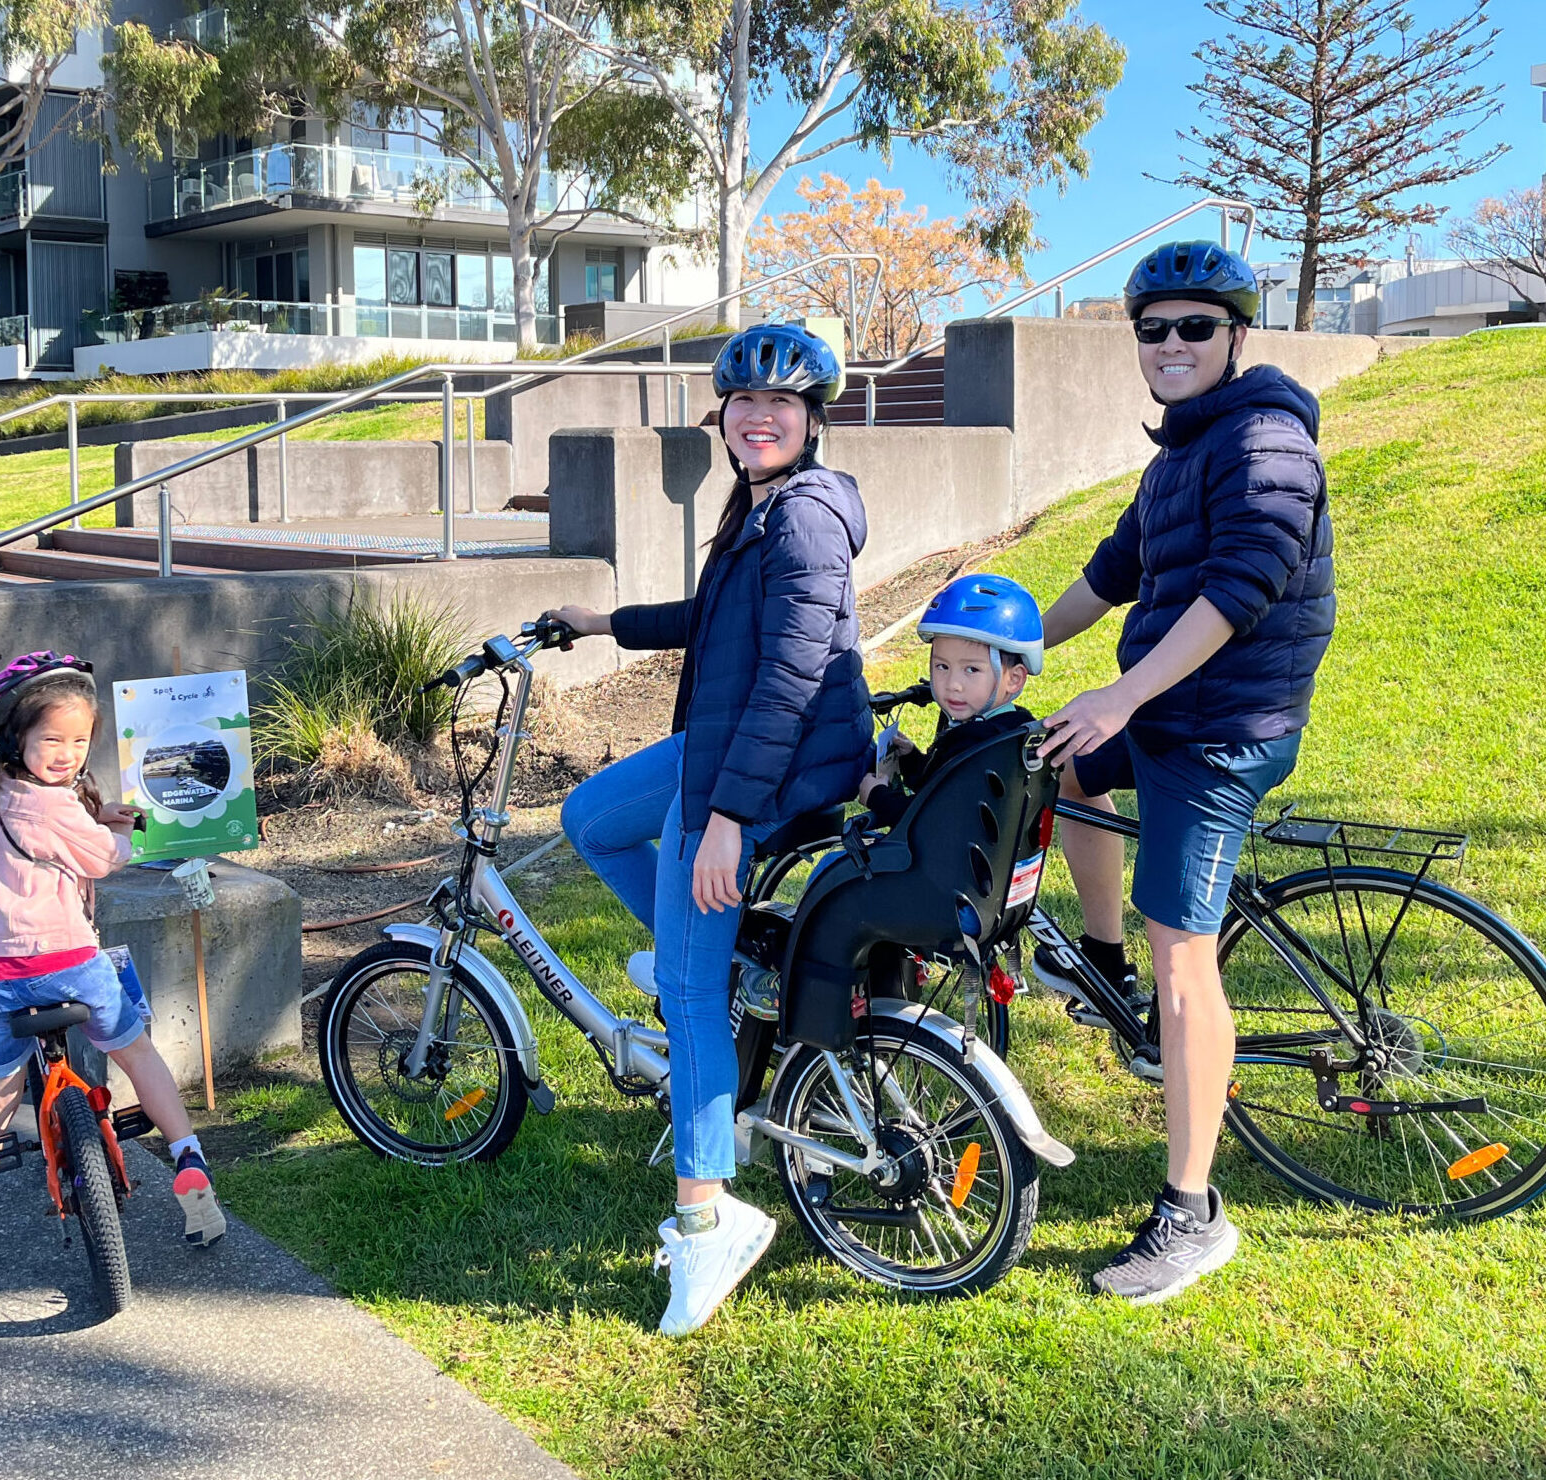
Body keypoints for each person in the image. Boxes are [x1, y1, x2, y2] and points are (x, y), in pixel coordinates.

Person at [553, 324, 873, 1338]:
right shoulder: (763, 511)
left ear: (814, 418)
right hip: (719, 749)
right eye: (742, 404)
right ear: (724, 418)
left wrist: (729, 821)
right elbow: (717, 619)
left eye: (780, 405)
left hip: (755, 770)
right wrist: (602, 624)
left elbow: (786, 679)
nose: (759, 417)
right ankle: (720, 965)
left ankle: (709, 1220)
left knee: (685, 997)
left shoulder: (808, 520)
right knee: (590, 817)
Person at [1035, 240, 1334, 1304]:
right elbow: (1110, 575)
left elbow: (1247, 583)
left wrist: (1120, 695)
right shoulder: (1181, 453)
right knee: (1062, 766)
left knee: (1186, 959)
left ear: (1235, 337)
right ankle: (1102, 961)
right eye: (1152, 329)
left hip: (1219, 729)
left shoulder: (1264, 438)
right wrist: (1004, 646)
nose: (1170, 344)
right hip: (1173, 711)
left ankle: (1194, 1213)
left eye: (1194, 326)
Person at [0, 651, 227, 1273]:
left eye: (78, 740)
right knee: (136, 1051)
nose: (67, 753)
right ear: (18, 737)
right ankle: (188, 1154)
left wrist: (91, 815)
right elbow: (102, 859)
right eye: (53, 740)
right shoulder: (59, 807)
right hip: (70, 964)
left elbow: (41, 830)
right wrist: (122, 833)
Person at [858, 574, 1043, 830]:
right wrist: (912, 759)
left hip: (943, 868)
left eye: (971, 670)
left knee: (830, 866)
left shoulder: (974, 742)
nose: (953, 683)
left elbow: (928, 819)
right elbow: (942, 785)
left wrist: (877, 797)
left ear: (1013, 679)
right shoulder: (1016, 730)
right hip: (995, 865)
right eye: (942, 666)